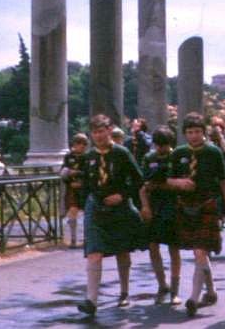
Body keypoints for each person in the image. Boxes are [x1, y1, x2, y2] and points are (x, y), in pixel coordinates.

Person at [166, 112, 225, 317]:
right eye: (190, 132)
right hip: (185, 205)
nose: (194, 136)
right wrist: (178, 183)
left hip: (207, 204)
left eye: (197, 131)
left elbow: (224, 181)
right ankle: (212, 291)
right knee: (200, 253)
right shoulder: (178, 153)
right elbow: (167, 180)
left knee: (200, 251)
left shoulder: (212, 152)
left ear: (204, 132)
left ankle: (193, 298)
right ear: (184, 134)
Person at [76, 114, 146, 317]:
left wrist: (122, 195)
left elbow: (138, 180)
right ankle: (92, 300)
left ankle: (124, 291)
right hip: (96, 208)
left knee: (122, 251)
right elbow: (86, 184)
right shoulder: (89, 157)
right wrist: (82, 204)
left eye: (102, 131)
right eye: (95, 132)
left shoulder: (122, 153)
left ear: (110, 130)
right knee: (94, 253)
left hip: (119, 208)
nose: (98, 135)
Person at [140, 125, 182, 306]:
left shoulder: (177, 157)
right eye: (157, 145)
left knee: (174, 248)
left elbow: (181, 183)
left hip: (173, 206)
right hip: (154, 206)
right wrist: (145, 207)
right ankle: (161, 285)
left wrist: (162, 184)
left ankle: (175, 289)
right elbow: (143, 184)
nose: (160, 149)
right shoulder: (149, 158)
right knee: (153, 246)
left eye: (163, 146)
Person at [60, 133, 89, 248]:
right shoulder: (69, 156)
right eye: (79, 143)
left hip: (84, 188)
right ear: (75, 144)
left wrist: (78, 174)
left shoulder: (88, 157)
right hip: (72, 188)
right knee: (72, 211)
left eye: (84, 144)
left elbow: (90, 173)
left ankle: (86, 238)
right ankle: (73, 239)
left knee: (87, 213)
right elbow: (64, 171)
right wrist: (68, 178)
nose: (82, 146)